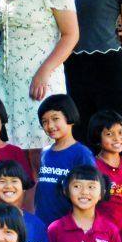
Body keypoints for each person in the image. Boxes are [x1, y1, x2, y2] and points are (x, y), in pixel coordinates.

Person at [0, 0, 79, 151]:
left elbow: (71, 34)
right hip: (5, 82)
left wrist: (44, 72)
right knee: (12, 150)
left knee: (43, 145)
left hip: (41, 79)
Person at [34, 94, 96, 225]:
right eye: (44, 121)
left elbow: (92, 190)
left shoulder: (81, 154)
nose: (50, 126)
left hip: (67, 227)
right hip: (42, 224)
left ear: (69, 117)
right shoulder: (45, 152)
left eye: (55, 119)